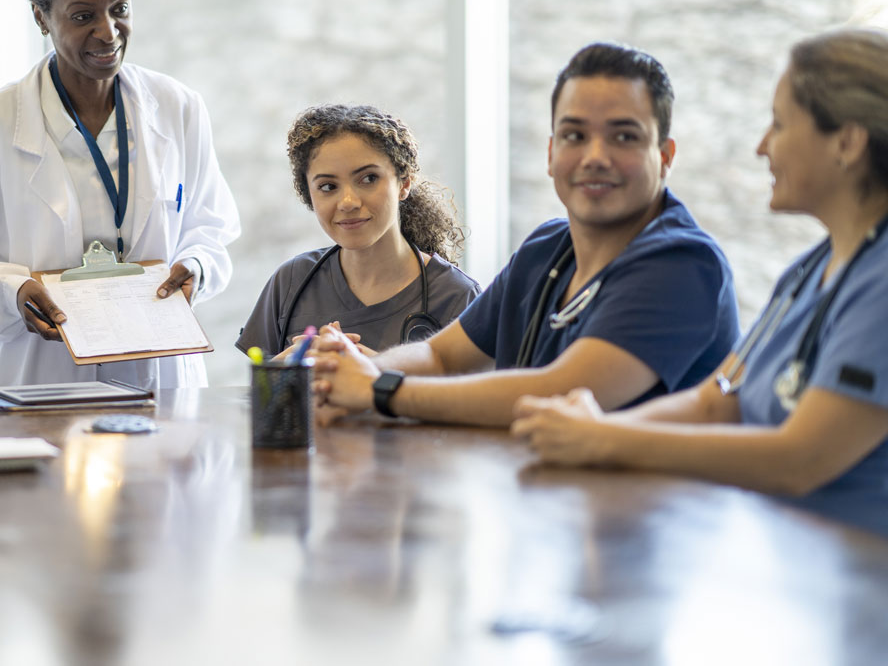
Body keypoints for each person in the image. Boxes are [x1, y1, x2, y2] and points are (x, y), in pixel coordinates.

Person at [512, 28, 888, 536]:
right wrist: (590, 430)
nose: (761, 147)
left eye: (778, 124)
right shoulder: (809, 270)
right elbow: (716, 401)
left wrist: (604, 440)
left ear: (846, 141)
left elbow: (800, 460)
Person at [314, 42, 739, 427]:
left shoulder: (683, 264)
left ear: (664, 156)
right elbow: (440, 356)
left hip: (642, 511)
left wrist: (378, 389)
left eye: (624, 136)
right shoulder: (546, 250)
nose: (594, 157)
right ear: (552, 154)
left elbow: (562, 390)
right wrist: (355, 370)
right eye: (575, 135)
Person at [0, 0, 240, 389]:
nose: (108, 32)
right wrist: (15, 294)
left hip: (156, 373)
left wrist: (196, 267)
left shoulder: (177, 108)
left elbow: (211, 232)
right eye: (83, 16)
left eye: (121, 8)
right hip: (38, 379)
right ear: (40, 16)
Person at [238, 104, 480, 358]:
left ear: (404, 183)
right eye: (328, 186)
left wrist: (381, 373)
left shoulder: (457, 296)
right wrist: (287, 370)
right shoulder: (291, 282)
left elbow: (479, 397)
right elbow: (261, 393)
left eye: (368, 179)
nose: (348, 202)